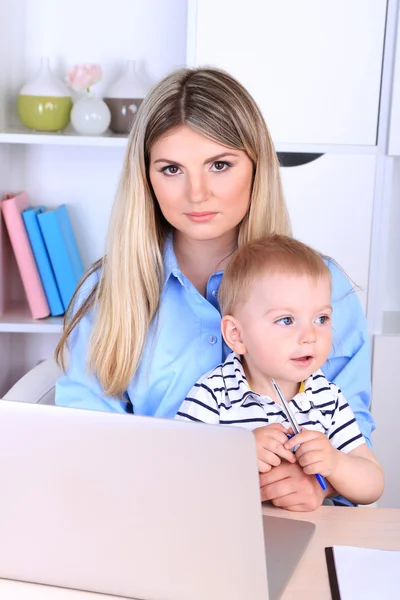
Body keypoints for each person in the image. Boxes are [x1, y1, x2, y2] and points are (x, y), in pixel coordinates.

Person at [55, 66, 375, 511]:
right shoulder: (109, 290)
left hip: (285, 524)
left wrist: (322, 486)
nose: (197, 194)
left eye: (220, 165)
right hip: (150, 518)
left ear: (256, 167)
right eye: (171, 169)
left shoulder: (325, 287)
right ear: (146, 177)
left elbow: (352, 435)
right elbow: (84, 437)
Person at [176, 235, 384, 507]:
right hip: (230, 535)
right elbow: (176, 472)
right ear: (236, 335)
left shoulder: (327, 398)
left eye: (321, 318)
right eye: (286, 320)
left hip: (309, 534)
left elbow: (373, 484)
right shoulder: (214, 394)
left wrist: (335, 463)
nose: (310, 335)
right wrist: (238, 454)